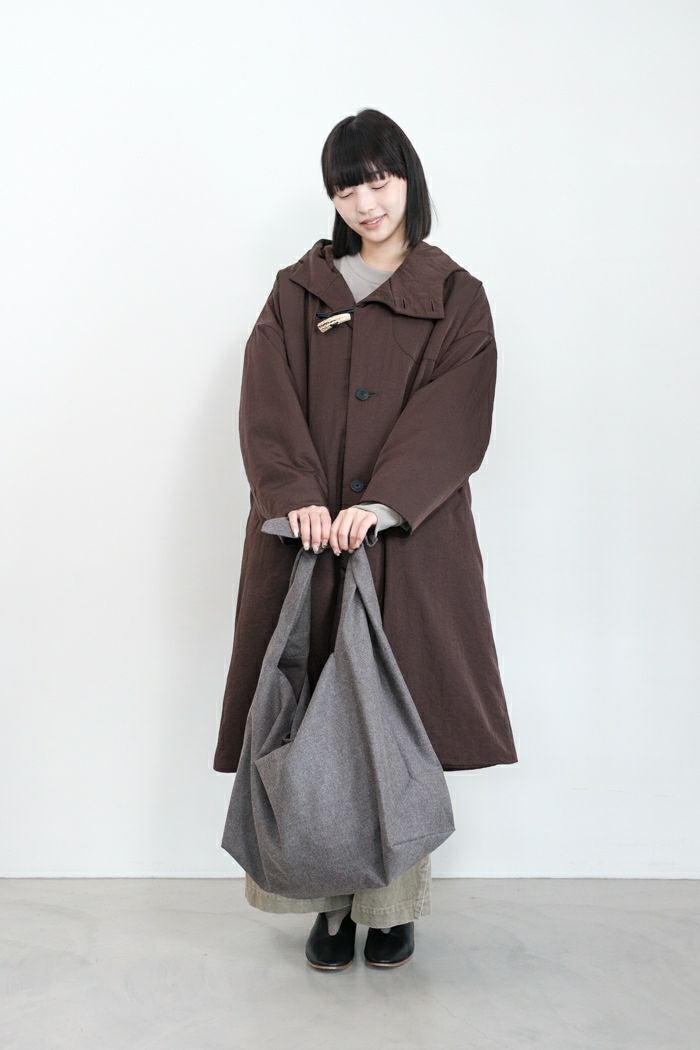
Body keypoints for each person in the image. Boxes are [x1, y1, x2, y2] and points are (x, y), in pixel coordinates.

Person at [214, 107, 519, 971]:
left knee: (394, 722)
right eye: (347, 188)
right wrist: (297, 497)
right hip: (309, 543)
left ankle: (391, 910)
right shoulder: (299, 290)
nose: (366, 203)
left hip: (407, 545)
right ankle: (328, 905)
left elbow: (457, 414)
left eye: (379, 181)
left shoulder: (455, 294)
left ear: (408, 179)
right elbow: (266, 399)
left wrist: (385, 502)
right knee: (313, 713)